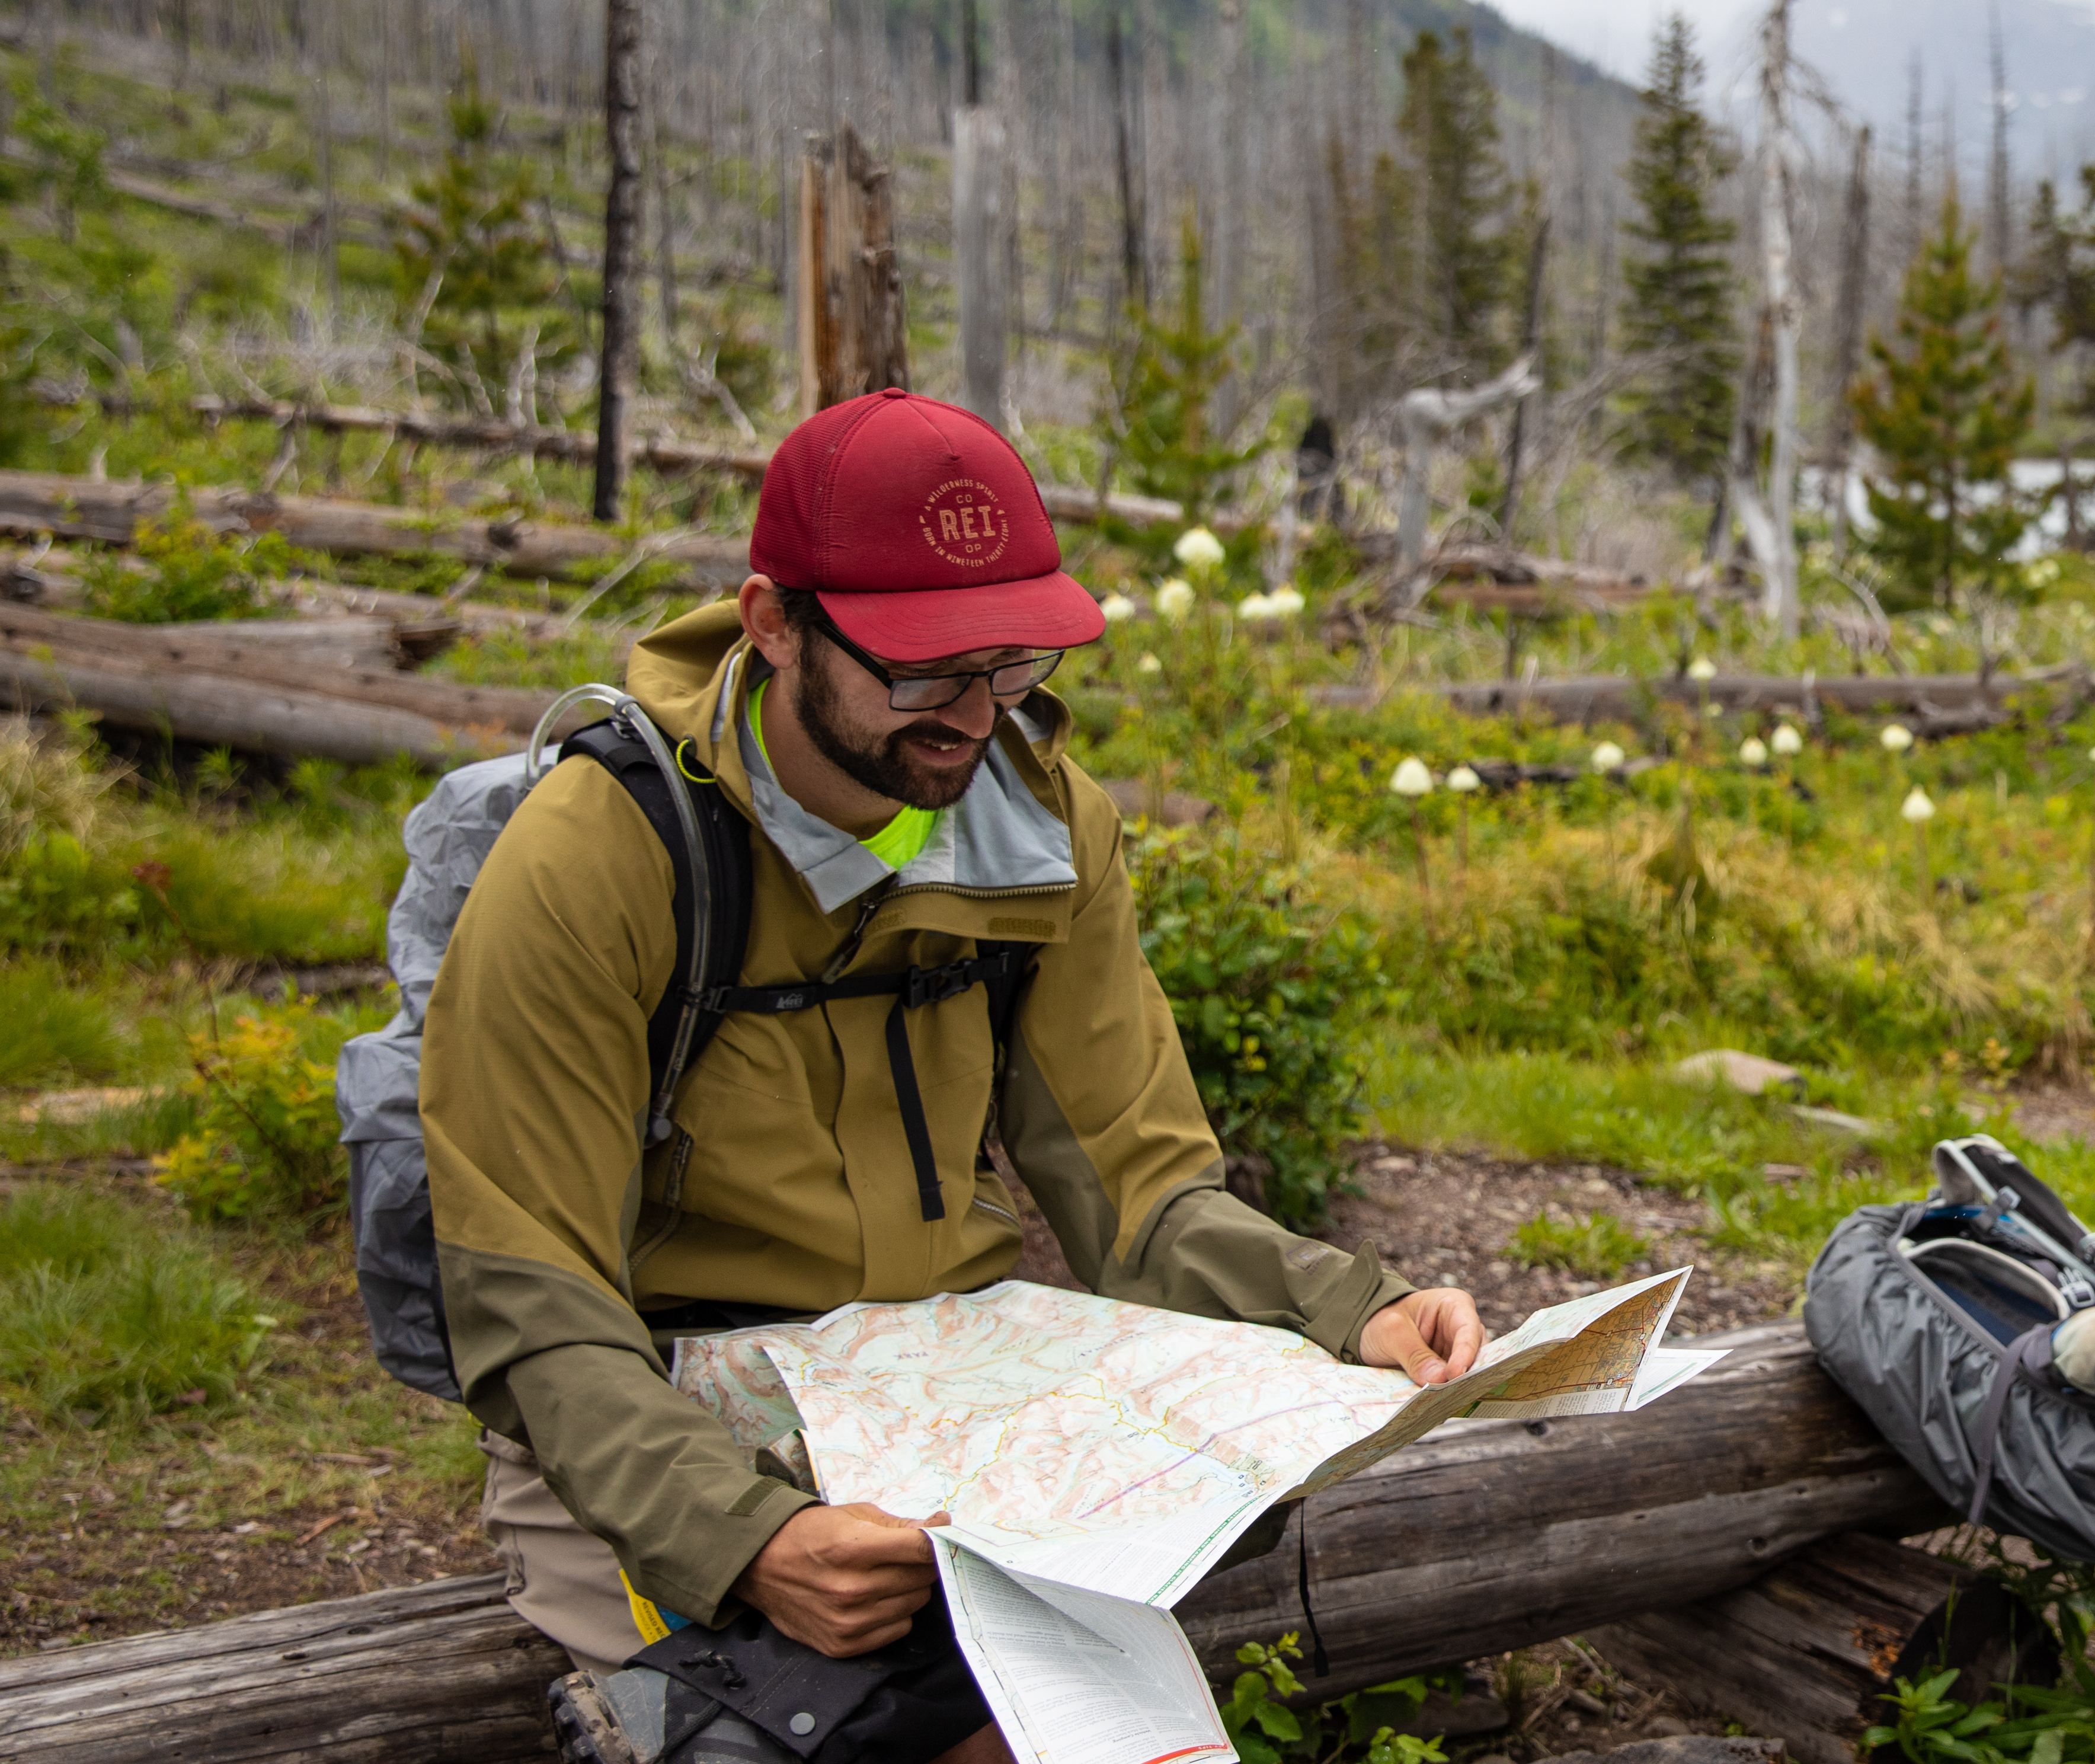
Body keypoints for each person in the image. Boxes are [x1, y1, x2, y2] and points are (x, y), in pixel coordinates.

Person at [421, 390, 1483, 1764]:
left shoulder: (1039, 823)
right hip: (662, 1407)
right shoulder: (603, 852)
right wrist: (747, 1536)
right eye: (925, 669)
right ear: (774, 623)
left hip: (954, 1394)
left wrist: (1356, 1313)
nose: (977, 714)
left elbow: (1141, 1191)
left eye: (1014, 662)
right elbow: (532, 1295)